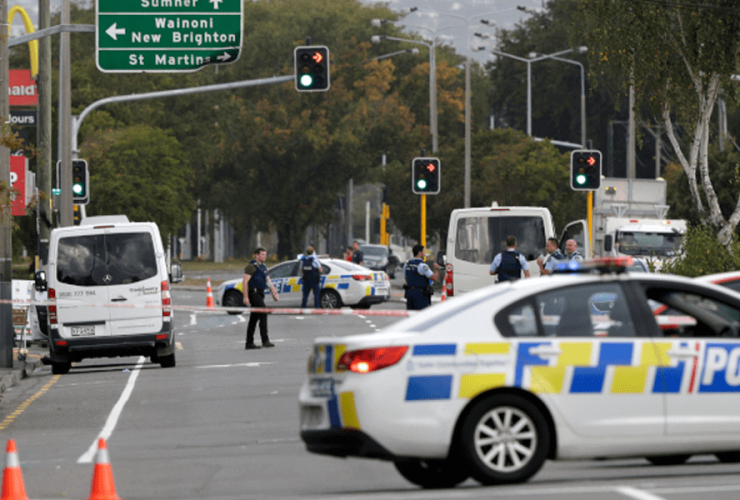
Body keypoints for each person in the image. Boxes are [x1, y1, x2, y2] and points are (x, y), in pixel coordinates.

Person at [243, 247, 279, 349]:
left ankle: (249, 343)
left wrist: (274, 291)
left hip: (260, 293)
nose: (265, 256)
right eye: (262, 254)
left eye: (265, 254)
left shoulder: (263, 267)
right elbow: (245, 282)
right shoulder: (251, 266)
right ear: (257, 255)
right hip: (253, 293)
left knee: (253, 319)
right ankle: (265, 340)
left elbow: (268, 281)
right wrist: (246, 297)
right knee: (263, 312)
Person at [403, 244, 440, 310]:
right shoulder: (422, 266)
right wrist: (437, 269)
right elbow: (434, 278)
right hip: (421, 295)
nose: (424, 253)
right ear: (419, 253)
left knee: (411, 315)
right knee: (421, 316)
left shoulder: (406, 265)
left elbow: (406, 278)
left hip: (409, 293)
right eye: (423, 251)